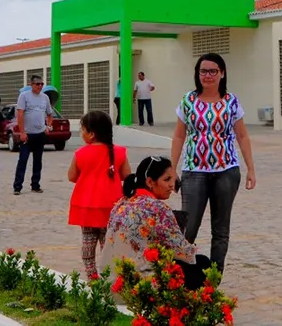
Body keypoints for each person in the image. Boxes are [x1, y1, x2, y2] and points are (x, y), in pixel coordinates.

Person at [170, 53, 257, 275]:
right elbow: (179, 136)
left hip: (226, 172)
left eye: (213, 71)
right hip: (194, 172)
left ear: (222, 73)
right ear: (197, 74)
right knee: (187, 228)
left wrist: (250, 168)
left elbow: (243, 136)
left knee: (220, 230)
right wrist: (172, 168)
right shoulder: (188, 101)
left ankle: (212, 280)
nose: (207, 76)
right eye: (203, 71)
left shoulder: (231, 102)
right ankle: (179, 277)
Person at [101, 155, 212, 290]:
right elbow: (184, 253)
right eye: (167, 179)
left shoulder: (121, 203)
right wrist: (192, 247)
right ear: (150, 182)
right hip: (139, 287)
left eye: (172, 179)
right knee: (203, 264)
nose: (172, 185)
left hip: (110, 283)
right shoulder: (157, 208)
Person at [68, 110, 131, 278]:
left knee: (88, 245)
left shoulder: (81, 153)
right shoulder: (120, 152)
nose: (82, 134)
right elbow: (127, 175)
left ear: (92, 134)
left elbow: (71, 176)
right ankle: (108, 278)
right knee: (107, 246)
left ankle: (92, 277)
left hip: (87, 206)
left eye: (83, 130)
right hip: (112, 207)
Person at [13, 75, 53, 195]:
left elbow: (50, 114)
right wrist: (22, 132)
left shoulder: (45, 98)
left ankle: (35, 184)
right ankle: (17, 186)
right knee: (23, 160)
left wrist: (48, 126)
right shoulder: (24, 96)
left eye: (42, 84)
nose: (40, 86)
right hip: (27, 134)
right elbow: (20, 114)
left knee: (38, 161)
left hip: (40, 134)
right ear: (31, 85)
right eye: (37, 84)